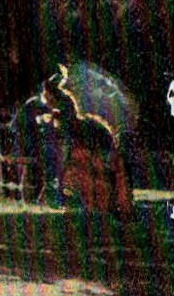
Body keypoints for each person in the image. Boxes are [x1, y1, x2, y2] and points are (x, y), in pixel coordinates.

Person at [44, 75, 133, 218]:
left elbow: (68, 143)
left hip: (93, 148)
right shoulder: (62, 111)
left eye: (46, 95)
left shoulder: (64, 112)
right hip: (91, 146)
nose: (44, 98)